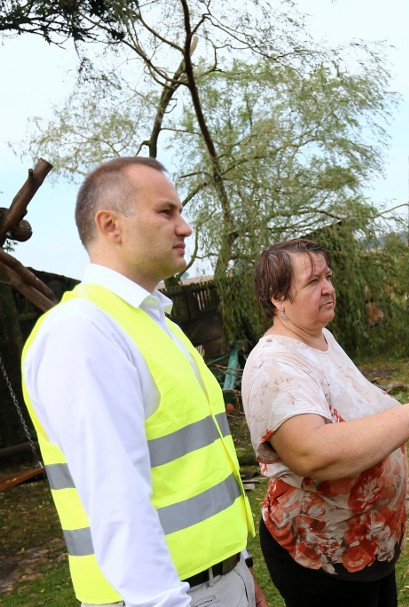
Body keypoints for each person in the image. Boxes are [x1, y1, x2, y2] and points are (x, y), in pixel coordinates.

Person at [21, 157, 268, 607]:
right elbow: (117, 501)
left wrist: (243, 571)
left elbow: (198, 473)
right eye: (166, 212)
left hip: (221, 581)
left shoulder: (157, 323)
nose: (185, 227)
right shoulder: (85, 332)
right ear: (111, 225)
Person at [241, 238, 409, 607]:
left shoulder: (319, 337)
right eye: (312, 282)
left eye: (328, 276)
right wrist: (407, 417)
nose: (328, 288)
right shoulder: (274, 365)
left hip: (362, 548)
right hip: (320, 560)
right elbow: (312, 453)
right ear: (278, 297)